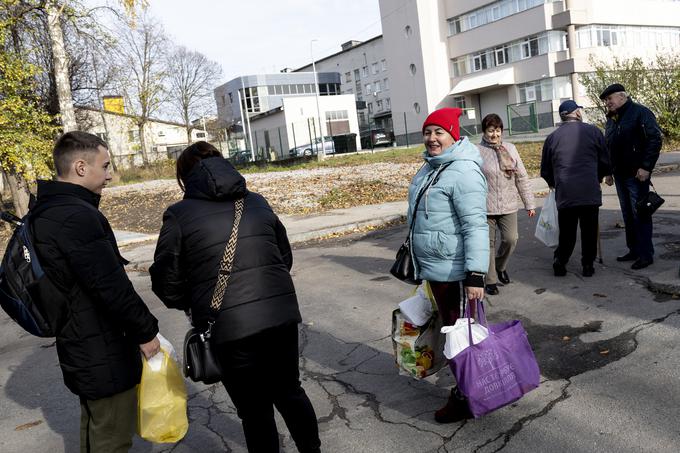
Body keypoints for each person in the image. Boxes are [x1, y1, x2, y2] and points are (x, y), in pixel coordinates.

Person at [150, 142, 320, 453]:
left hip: (228, 328)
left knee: (254, 410)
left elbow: (166, 280)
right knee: (290, 392)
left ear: (184, 177)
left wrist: (192, 303)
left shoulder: (179, 214)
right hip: (279, 316)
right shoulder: (256, 202)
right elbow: (284, 256)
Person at [30, 131, 160, 453]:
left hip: (81, 344)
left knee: (95, 430)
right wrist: (147, 332)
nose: (110, 175)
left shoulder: (47, 211)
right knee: (111, 440)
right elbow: (110, 286)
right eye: (105, 166)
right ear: (80, 167)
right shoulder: (75, 217)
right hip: (102, 348)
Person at [407, 107, 489, 423]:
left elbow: (476, 226)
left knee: (460, 339)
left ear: (453, 135)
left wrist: (475, 275)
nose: (431, 138)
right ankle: (471, 390)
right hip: (437, 269)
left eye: (439, 132)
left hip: (456, 272)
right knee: (455, 335)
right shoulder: (431, 167)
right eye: (428, 132)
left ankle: (467, 397)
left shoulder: (463, 171)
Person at [540, 100, 612, 277]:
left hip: (565, 192)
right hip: (589, 190)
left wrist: (554, 183)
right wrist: (599, 176)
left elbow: (545, 169)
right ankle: (588, 265)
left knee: (567, 231)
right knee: (589, 230)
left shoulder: (552, 138)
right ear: (577, 113)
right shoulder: (593, 131)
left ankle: (560, 261)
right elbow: (605, 160)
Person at [600, 84, 662, 270]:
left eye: (609, 99)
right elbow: (609, 146)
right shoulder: (612, 119)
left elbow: (655, 139)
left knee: (640, 214)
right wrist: (609, 171)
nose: (607, 103)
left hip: (637, 175)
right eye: (606, 100)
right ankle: (634, 250)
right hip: (619, 174)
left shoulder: (640, 113)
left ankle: (645, 254)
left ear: (622, 96)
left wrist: (646, 167)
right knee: (628, 215)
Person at [477, 113, 536, 295]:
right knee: (488, 244)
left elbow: (521, 177)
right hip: (485, 207)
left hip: (508, 204)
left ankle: (500, 266)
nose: (494, 135)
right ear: (484, 131)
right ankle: (491, 280)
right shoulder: (476, 150)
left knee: (511, 239)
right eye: (490, 131)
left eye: (497, 130)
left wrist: (530, 203)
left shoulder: (510, 148)